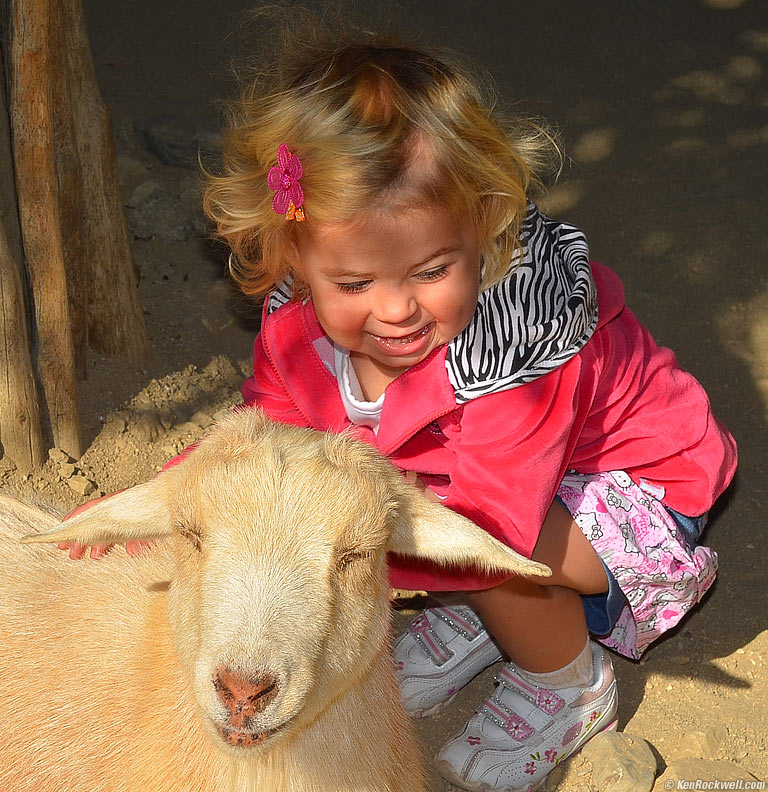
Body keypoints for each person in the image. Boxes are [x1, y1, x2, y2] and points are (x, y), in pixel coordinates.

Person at [58, 24, 736, 792]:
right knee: (394, 519)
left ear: (480, 226)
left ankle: (565, 683)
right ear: (296, 259)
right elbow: (266, 439)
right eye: (353, 285)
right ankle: (478, 620)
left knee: (484, 562)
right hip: (486, 481)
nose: (396, 309)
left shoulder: (513, 356)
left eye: (431, 270)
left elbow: (494, 526)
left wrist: (348, 549)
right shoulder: (295, 322)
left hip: (629, 486)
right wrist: (189, 496)